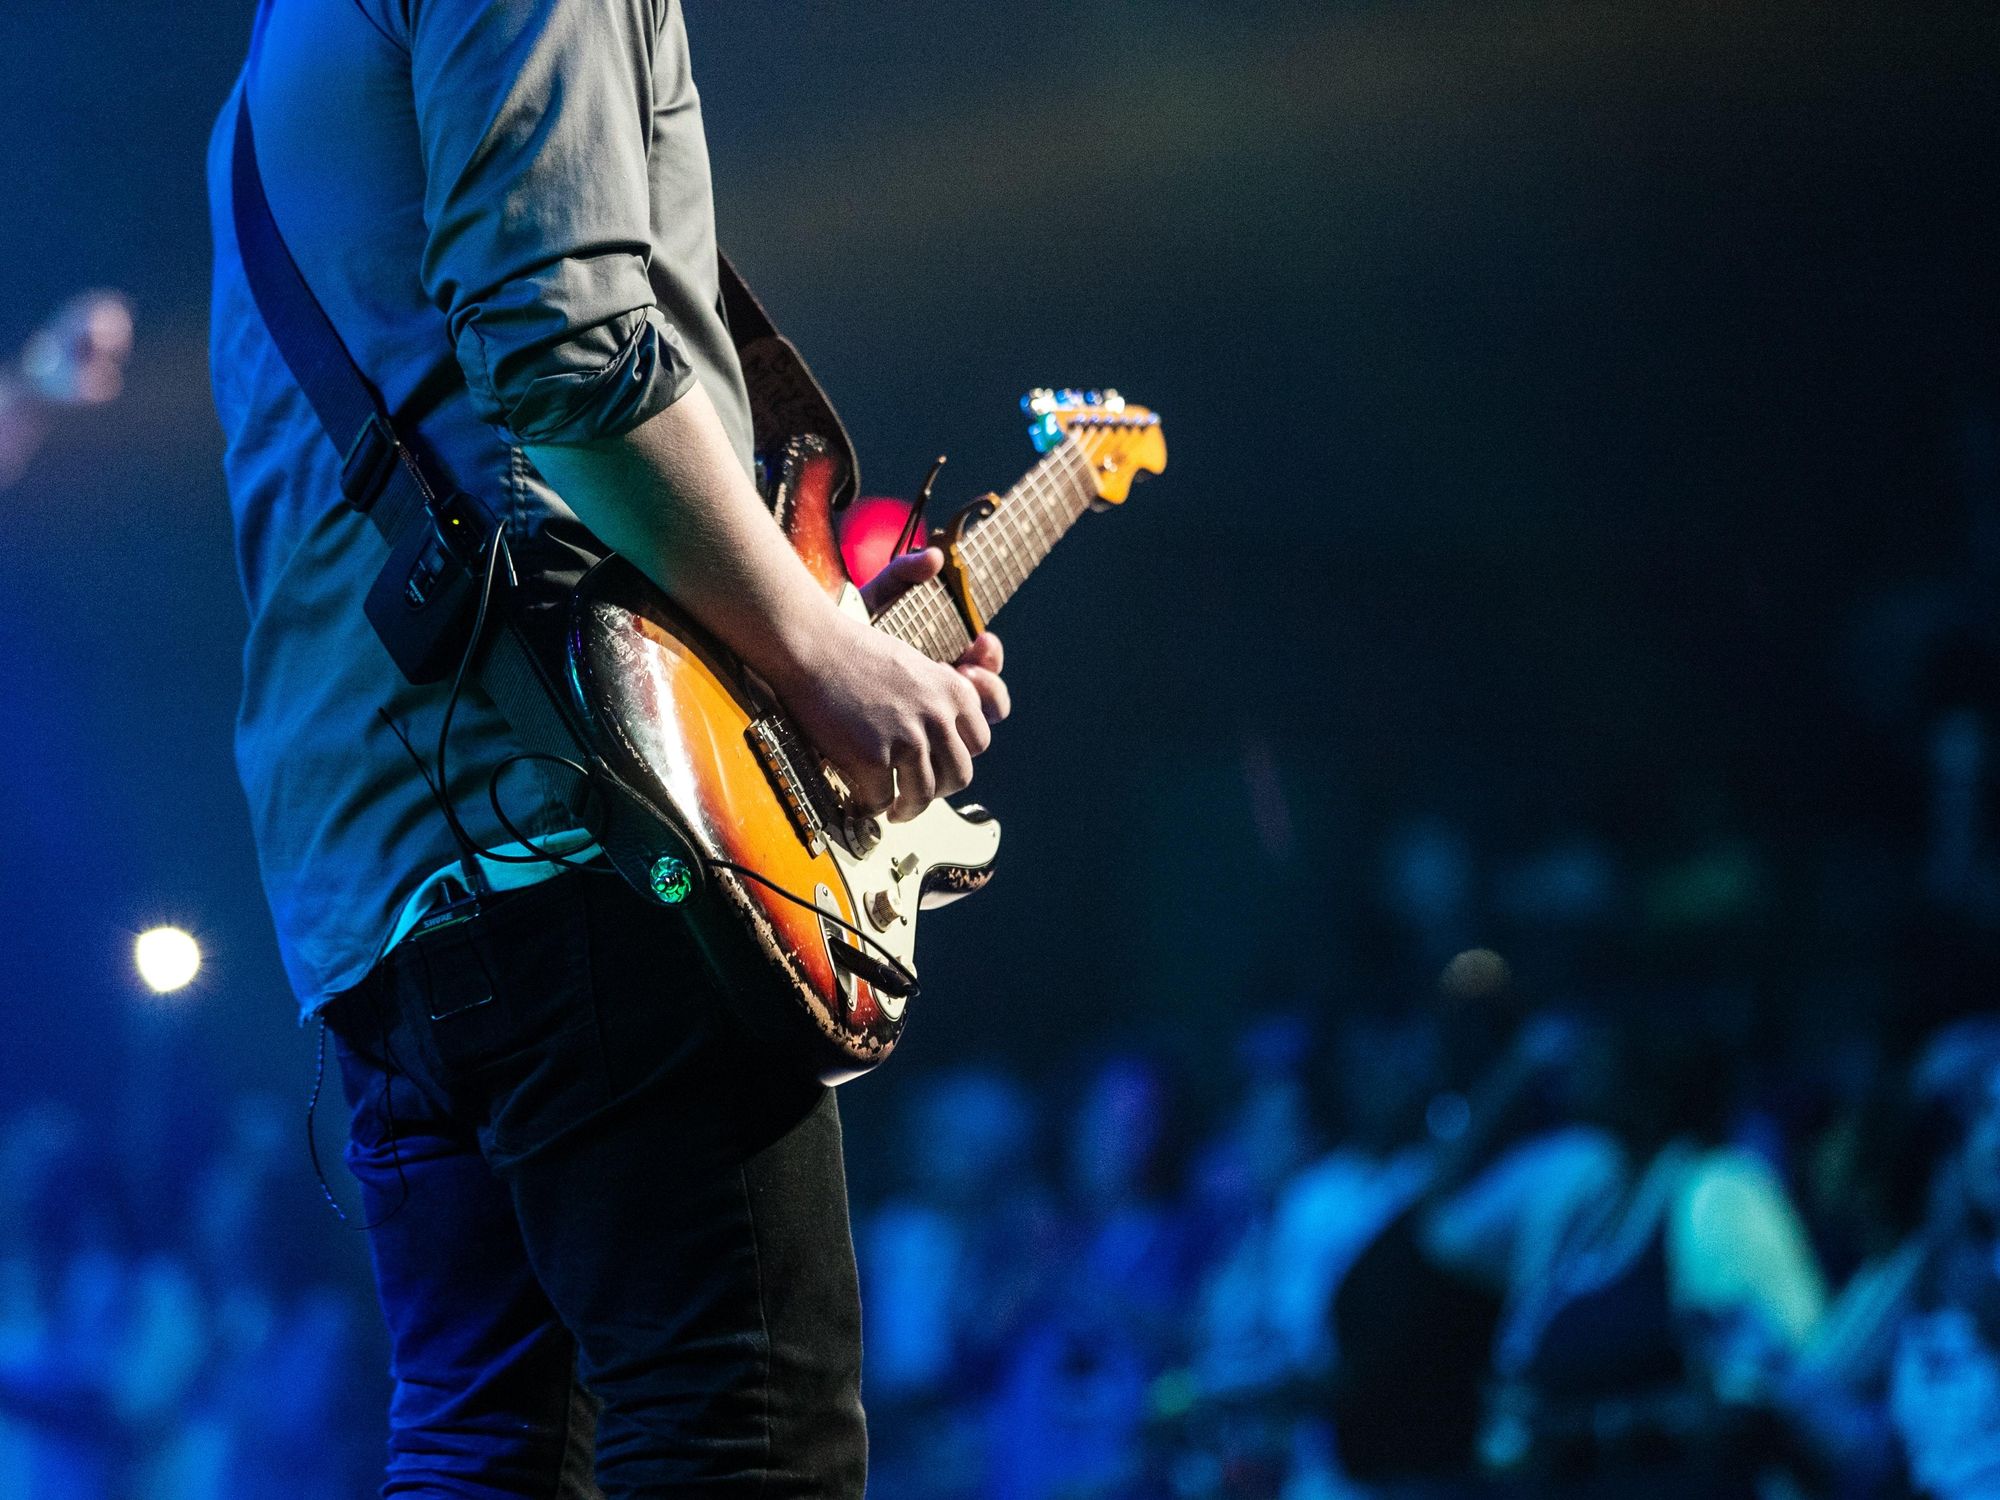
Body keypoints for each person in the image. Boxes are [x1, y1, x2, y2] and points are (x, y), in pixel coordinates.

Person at [205, 2, 1009, 1495]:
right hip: (592, 828)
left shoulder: (286, 43)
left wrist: (805, 617)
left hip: (382, 876)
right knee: (742, 1435)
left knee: (483, 1454)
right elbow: (566, 358)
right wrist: (822, 651)